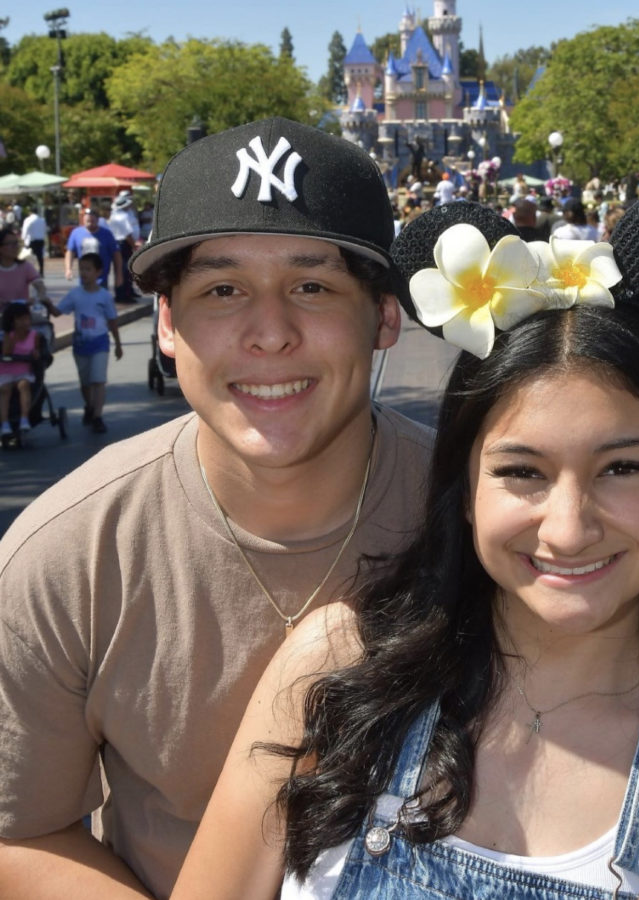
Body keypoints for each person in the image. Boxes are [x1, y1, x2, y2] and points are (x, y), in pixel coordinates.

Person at [169, 191, 639, 900]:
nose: (568, 528)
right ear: (464, 489)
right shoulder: (339, 671)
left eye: (623, 468)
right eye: (522, 472)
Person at [0, 117, 433, 898]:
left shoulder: (487, 522)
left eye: (313, 286)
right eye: (222, 290)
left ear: (386, 317)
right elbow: (19, 832)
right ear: (168, 323)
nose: (270, 332)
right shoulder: (66, 556)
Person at [50, 252, 123, 433]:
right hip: (81, 344)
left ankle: (97, 416)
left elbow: (112, 321)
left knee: (98, 380)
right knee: (85, 383)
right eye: (81, 269)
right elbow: (58, 312)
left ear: (98, 272)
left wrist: (118, 344)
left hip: (100, 343)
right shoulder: (75, 295)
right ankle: (89, 406)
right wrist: (44, 300)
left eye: (88, 269)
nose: (83, 273)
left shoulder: (104, 296)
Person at [0, 302, 40, 435]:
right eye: (20, 319)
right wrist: (13, 337)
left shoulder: (34, 335)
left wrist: (35, 354)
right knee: (5, 389)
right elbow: (6, 353)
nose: (24, 322)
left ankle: (24, 418)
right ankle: (4, 422)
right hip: (7, 371)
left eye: (26, 318)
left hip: (23, 371)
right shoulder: (9, 336)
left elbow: (37, 352)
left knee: (24, 385)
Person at [64, 206, 123, 292]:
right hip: (84, 278)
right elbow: (70, 252)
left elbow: (116, 254)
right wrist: (68, 269)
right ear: (83, 220)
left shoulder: (106, 234)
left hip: (101, 279)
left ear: (98, 220)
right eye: (87, 221)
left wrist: (119, 275)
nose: (90, 223)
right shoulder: (76, 233)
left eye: (92, 221)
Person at [0, 225, 50, 315]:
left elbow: (40, 286)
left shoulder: (25, 267)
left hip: (21, 318)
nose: (16, 247)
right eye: (11, 244)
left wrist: (38, 298)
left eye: (16, 243)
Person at [108, 192, 142, 301]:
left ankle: (126, 292)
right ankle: (124, 294)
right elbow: (127, 234)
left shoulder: (116, 215)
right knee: (124, 270)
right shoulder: (123, 216)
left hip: (120, 244)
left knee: (121, 270)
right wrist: (134, 245)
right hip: (123, 244)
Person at [21, 208, 48, 277]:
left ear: (30, 212)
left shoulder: (28, 220)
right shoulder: (42, 220)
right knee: (40, 257)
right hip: (40, 240)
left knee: (30, 257)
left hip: (31, 240)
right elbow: (45, 229)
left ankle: (30, 271)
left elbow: (25, 230)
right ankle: (41, 271)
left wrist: (23, 239)